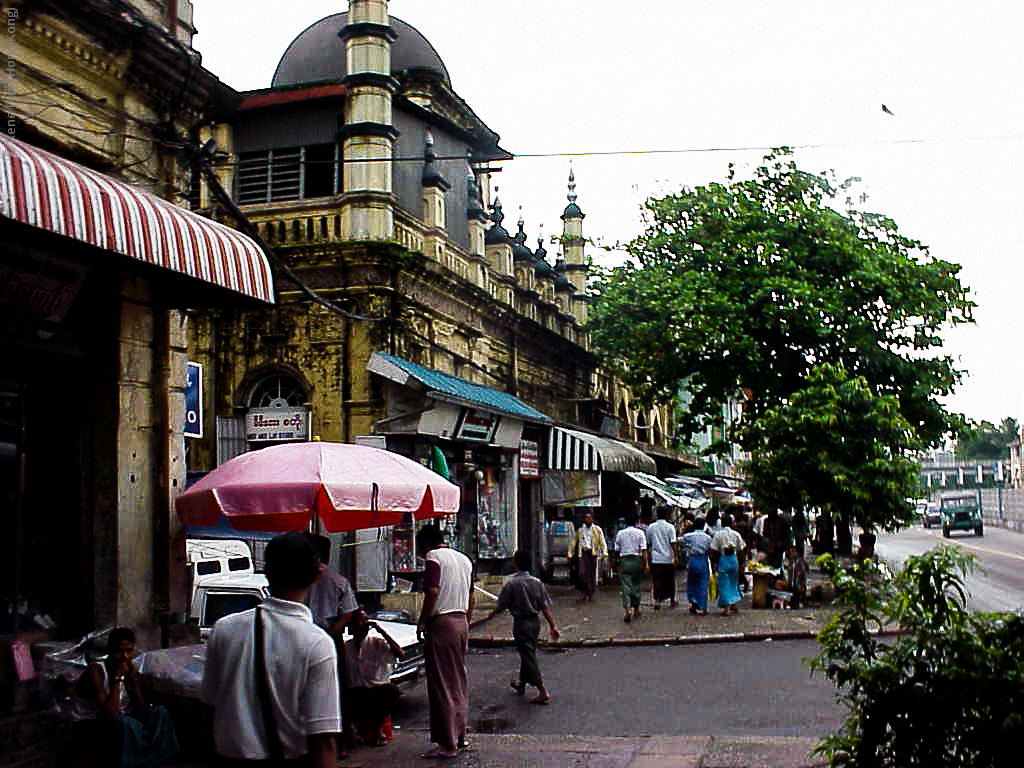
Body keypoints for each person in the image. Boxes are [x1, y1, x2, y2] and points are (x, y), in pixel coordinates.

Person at [202, 531, 340, 767]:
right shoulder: (317, 643)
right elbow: (323, 738)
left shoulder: (223, 629)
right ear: (317, 576)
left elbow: (211, 702)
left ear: (265, 571)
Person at [69, 627, 179, 768]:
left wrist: (132, 681)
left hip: (117, 719)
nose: (125, 657)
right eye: (119, 651)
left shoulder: (127, 667)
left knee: (159, 713)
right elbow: (110, 714)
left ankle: (153, 759)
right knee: (126, 724)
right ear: (109, 651)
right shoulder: (95, 671)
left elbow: (141, 708)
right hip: (90, 725)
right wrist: (116, 678)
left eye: (129, 651)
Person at [415, 523, 475, 760]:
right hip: (461, 621)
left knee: (441, 683)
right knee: (458, 679)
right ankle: (460, 734)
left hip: (442, 622)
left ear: (425, 543)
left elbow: (432, 591)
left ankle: (447, 743)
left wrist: (422, 620)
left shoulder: (433, 558)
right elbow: (471, 595)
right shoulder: (464, 559)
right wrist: (467, 621)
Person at [303, 534, 358, 752]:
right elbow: (348, 613)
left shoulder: (300, 580)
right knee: (336, 691)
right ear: (326, 554)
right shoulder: (338, 580)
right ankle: (340, 743)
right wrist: (331, 633)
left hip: (306, 634)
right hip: (330, 637)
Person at [484, 550, 561, 705]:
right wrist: (553, 626)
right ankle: (522, 684)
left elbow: (501, 606)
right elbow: (545, 607)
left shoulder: (512, 584)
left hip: (521, 624)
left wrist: (490, 615)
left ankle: (542, 690)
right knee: (528, 652)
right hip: (535, 623)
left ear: (515, 563)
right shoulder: (537, 583)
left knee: (528, 656)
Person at [344, 608, 404, 747]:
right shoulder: (346, 648)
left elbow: (400, 654)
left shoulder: (376, 642)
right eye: (360, 620)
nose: (365, 623)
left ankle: (377, 729)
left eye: (366, 619)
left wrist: (381, 631)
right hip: (355, 694)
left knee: (392, 691)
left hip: (375, 692)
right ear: (351, 626)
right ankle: (353, 729)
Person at [613, 509, 649, 623]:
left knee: (625, 586)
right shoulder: (640, 533)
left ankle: (627, 609)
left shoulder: (620, 533)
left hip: (625, 561)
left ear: (625, 522)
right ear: (636, 521)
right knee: (636, 585)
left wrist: (615, 562)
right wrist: (646, 564)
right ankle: (637, 608)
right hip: (637, 560)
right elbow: (644, 550)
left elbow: (616, 550)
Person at [710, 513, 746, 616]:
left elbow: (714, 551)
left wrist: (715, 563)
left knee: (724, 584)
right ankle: (732, 604)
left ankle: (727, 608)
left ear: (721, 523)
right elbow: (741, 549)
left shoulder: (718, 534)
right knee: (733, 583)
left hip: (723, 560)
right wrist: (742, 563)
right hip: (734, 560)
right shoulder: (736, 534)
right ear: (732, 523)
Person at [570, 511, 608, 602]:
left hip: (592, 553)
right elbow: (573, 542)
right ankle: (583, 592)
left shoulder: (597, 529)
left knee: (591, 574)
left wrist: (604, 552)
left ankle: (589, 593)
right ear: (584, 519)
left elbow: (602, 541)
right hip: (583, 553)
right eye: (586, 518)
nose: (588, 519)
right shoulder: (580, 530)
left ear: (592, 519)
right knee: (582, 573)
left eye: (590, 517)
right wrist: (570, 554)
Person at [679, 515, 713, 615]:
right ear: (703, 526)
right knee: (702, 584)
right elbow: (710, 550)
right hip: (703, 560)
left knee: (691, 582)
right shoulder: (708, 538)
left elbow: (678, 540)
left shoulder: (689, 536)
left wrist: (684, 529)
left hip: (692, 560)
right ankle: (702, 607)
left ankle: (692, 602)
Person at [646, 506, 678, 609]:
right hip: (668, 558)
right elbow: (673, 543)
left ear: (657, 514)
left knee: (657, 580)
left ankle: (657, 601)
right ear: (667, 515)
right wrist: (676, 556)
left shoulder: (651, 527)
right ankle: (672, 600)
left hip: (656, 558)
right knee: (670, 580)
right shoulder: (670, 527)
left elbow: (648, 543)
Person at [782, 544, 810, 608]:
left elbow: (800, 574)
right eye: (790, 552)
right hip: (794, 584)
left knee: (778, 584)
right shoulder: (792, 561)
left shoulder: (799, 562)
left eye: (793, 552)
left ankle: (791, 599)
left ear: (797, 553)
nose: (791, 553)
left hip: (798, 586)